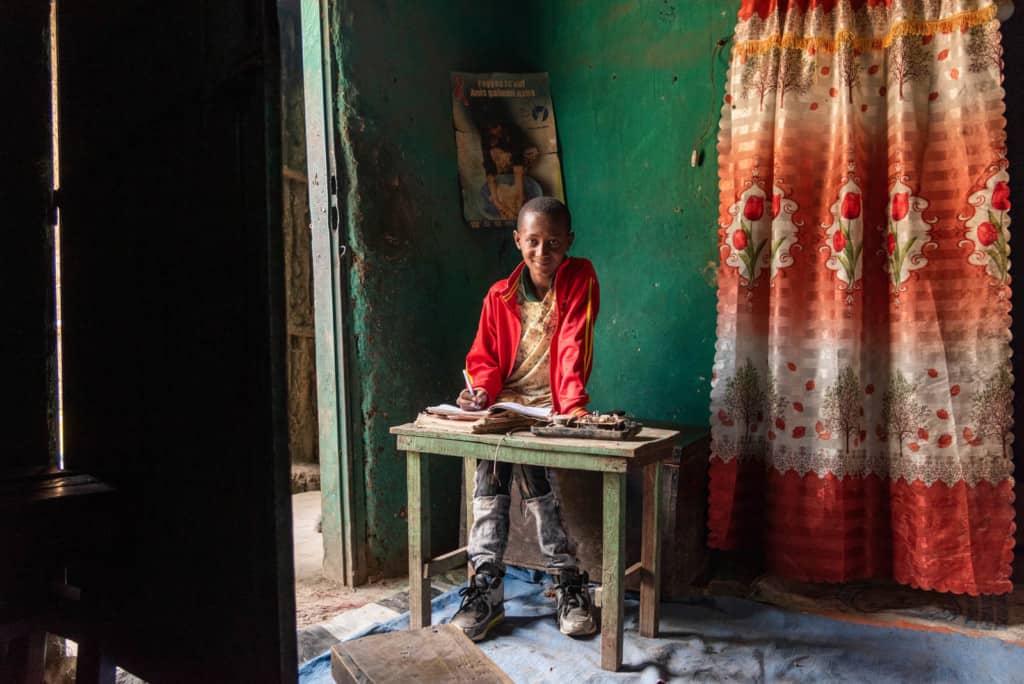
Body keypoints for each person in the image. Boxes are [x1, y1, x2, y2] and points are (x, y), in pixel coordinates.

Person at [450, 196, 600, 641]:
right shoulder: (499, 296)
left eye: (553, 242)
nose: (542, 251)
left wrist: (571, 408)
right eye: (532, 241)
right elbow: (485, 359)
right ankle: (486, 584)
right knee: (490, 467)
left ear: (568, 242)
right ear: (517, 240)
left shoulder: (579, 279)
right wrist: (478, 393)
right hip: (508, 406)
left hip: (552, 404)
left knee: (537, 478)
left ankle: (568, 582)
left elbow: (574, 344)